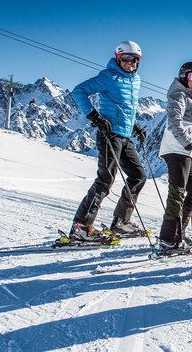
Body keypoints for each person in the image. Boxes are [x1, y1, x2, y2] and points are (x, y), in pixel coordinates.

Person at [68, 40, 148, 241]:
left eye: (134, 59)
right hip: (109, 135)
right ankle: (81, 227)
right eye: (126, 59)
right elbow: (79, 91)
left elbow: (125, 107)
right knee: (105, 180)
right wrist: (95, 117)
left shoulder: (135, 80)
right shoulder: (108, 76)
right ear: (118, 58)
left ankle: (121, 222)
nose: (130, 63)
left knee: (138, 176)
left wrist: (135, 126)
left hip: (125, 135)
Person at [154, 61, 192, 256]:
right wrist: (188, 141)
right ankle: (168, 240)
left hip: (185, 151)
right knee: (177, 194)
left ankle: (178, 233)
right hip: (176, 149)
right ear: (184, 77)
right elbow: (175, 122)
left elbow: (190, 125)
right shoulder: (178, 94)